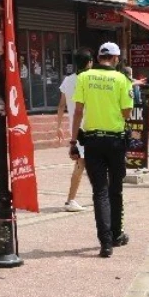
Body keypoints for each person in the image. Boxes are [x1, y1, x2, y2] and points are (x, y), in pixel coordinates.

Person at [71, 42, 133, 258]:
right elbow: (127, 112)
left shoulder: (84, 77)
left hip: (92, 141)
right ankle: (117, 234)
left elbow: (78, 111)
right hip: (115, 141)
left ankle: (105, 243)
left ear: (98, 58)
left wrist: (73, 142)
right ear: (116, 59)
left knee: (100, 192)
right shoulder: (122, 79)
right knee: (115, 189)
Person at [56, 49, 93, 213]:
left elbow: (61, 105)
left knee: (82, 162)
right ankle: (71, 200)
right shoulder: (89, 80)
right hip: (90, 127)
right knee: (83, 163)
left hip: (75, 129)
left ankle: (74, 199)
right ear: (89, 62)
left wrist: (58, 126)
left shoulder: (68, 80)